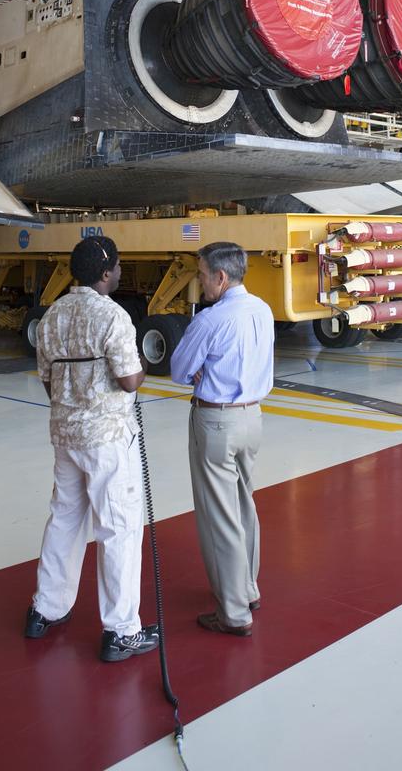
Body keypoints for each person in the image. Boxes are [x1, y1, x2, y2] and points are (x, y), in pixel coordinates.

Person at [24, 236, 159, 664]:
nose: (120, 272)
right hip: (106, 440)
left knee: (65, 519)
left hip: (66, 436)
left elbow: (47, 379)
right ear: (105, 273)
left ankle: (45, 609)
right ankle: (121, 631)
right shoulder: (113, 316)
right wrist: (145, 365)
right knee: (118, 528)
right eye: (118, 266)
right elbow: (129, 380)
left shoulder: (53, 316)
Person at [170, 241, 274, 637]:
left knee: (219, 516)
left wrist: (201, 371)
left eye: (200, 275)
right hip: (253, 417)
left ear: (220, 277)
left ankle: (232, 612)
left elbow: (180, 368)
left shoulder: (210, 321)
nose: (199, 283)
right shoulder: (262, 310)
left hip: (216, 422)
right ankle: (247, 588)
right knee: (244, 504)